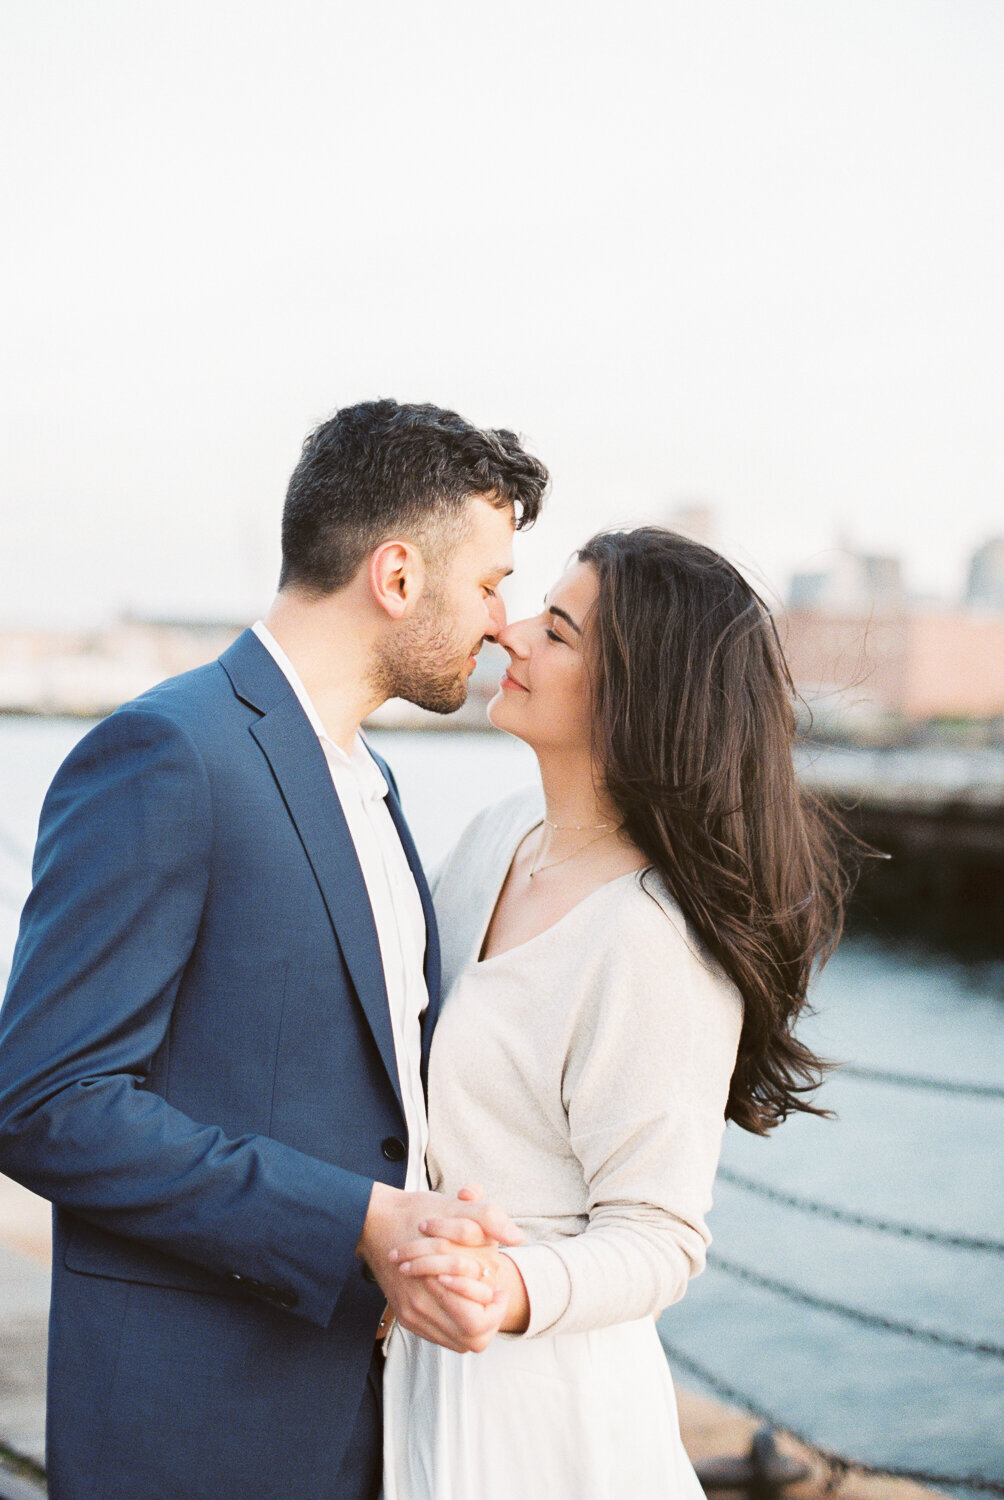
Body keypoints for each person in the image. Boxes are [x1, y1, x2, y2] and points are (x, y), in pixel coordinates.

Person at [0, 400, 549, 1500]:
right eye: (488, 583)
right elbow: (44, 1099)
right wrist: (358, 1218)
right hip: (191, 1425)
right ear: (396, 577)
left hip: (357, 1416)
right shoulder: (169, 753)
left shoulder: (370, 782)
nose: (502, 622)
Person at [381, 526, 845, 1499]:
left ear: (639, 695)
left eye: (555, 630)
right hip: (420, 1365)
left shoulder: (647, 938)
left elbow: (660, 1236)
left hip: (542, 1410)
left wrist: (507, 1290)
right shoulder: (499, 835)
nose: (508, 633)